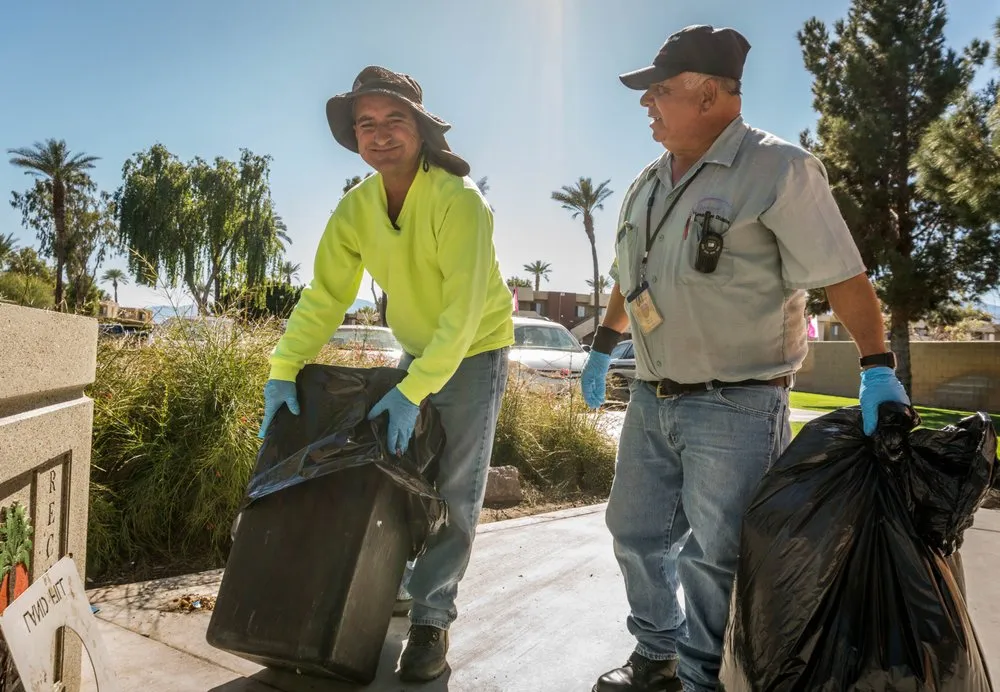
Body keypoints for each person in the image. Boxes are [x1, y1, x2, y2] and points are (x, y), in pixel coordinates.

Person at [582, 25, 910, 692]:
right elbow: (628, 276)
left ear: (710, 96)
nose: (647, 103)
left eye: (660, 91)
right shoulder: (648, 182)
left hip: (737, 402)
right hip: (652, 396)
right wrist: (601, 347)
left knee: (719, 558)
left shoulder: (779, 169)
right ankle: (657, 654)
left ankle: (707, 677)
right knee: (634, 533)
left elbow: (842, 276)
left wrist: (877, 366)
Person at [257, 65, 515, 683]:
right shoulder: (355, 211)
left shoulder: (460, 202)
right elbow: (324, 296)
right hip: (418, 351)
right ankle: (397, 582)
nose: (379, 134)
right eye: (365, 124)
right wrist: (283, 367)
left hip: (475, 351)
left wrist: (412, 390)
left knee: (455, 491)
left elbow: (460, 316)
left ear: (421, 130)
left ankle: (431, 618)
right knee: (398, 479)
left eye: (394, 120)